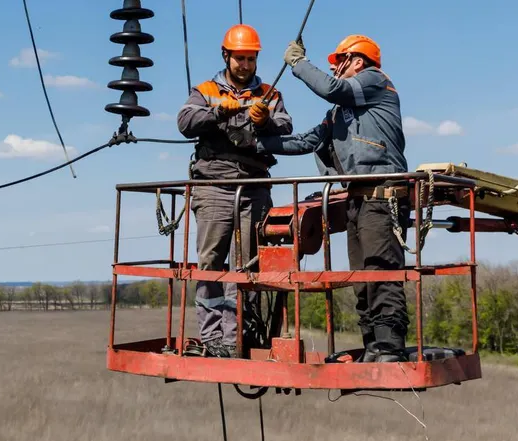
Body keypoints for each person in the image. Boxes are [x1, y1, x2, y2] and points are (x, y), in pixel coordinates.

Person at [254, 35, 411, 362]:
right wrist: (256, 142)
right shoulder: (339, 114)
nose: (333, 66)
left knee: (381, 273)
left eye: (339, 60)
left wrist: (298, 63)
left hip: (383, 197)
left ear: (358, 61)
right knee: (361, 279)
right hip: (357, 200)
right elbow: (304, 142)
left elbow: (331, 88)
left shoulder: (376, 82)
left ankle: (390, 349)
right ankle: (373, 346)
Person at [176, 24, 293, 358]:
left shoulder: (269, 93)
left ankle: (238, 335)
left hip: (253, 186)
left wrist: (264, 119)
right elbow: (185, 122)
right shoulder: (206, 90)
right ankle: (213, 337)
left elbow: (286, 126)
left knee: (247, 264)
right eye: (239, 58)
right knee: (211, 260)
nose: (245, 64)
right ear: (226, 56)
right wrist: (218, 112)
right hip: (214, 185)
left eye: (251, 58)